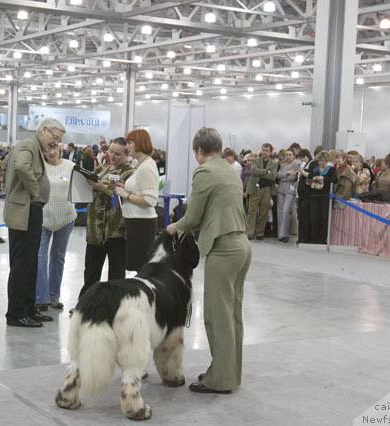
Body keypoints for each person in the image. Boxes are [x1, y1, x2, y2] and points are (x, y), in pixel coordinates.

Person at [166, 127, 251, 394]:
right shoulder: (229, 169)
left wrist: (173, 228)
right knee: (233, 315)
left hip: (223, 248)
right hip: (242, 246)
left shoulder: (205, 171)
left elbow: (192, 217)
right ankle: (228, 373)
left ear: (200, 150)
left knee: (217, 317)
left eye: (196, 153)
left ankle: (221, 380)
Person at [3, 118, 65, 328]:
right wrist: (34, 190)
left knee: (29, 264)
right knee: (22, 265)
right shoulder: (29, 145)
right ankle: (16, 313)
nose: (56, 143)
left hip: (30, 211)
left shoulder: (33, 146)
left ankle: (28, 309)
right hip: (25, 210)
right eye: (54, 137)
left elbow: (7, 164)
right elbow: (20, 166)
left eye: (59, 140)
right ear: (43, 130)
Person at [82, 138, 134, 293]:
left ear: (126, 155)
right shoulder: (100, 169)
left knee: (117, 272)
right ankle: (86, 304)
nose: (112, 155)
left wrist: (101, 187)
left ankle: (114, 306)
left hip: (116, 229)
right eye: (111, 151)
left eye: (117, 153)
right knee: (91, 271)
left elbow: (125, 195)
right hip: (95, 230)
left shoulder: (130, 172)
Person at [35, 144, 76, 311]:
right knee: (40, 257)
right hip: (43, 218)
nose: (51, 152)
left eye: (55, 149)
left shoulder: (70, 166)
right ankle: (40, 298)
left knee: (58, 257)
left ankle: (54, 296)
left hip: (66, 217)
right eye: (47, 149)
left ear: (60, 150)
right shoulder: (39, 167)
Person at [114, 129, 159, 272]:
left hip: (142, 224)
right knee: (138, 268)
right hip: (136, 222)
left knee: (142, 269)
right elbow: (140, 190)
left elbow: (150, 200)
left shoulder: (146, 167)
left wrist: (125, 195)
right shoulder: (140, 165)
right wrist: (125, 189)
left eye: (129, 143)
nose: (126, 147)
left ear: (140, 143)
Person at [246, 143, 277, 240]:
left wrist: (261, 173)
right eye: (263, 150)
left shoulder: (274, 163)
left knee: (264, 212)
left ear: (270, 152)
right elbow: (254, 171)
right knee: (252, 211)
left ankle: (260, 232)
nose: (264, 152)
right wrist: (266, 171)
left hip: (267, 189)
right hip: (255, 188)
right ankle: (249, 233)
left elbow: (273, 176)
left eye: (266, 150)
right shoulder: (255, 161)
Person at [308, 151, 338, 244]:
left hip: (325, 196)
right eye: (320, 160)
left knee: (324, 218)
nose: (321, 162)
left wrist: (323, 178)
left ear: (327, 160)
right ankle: (314, 238)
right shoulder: (316, 169)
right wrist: (315, 177)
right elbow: (310, 175)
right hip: (315, 195)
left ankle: (322, 239)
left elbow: (334, 179)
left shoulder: (331, 169)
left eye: (323, 160)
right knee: (314, 217)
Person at [276, 149, 299, 243]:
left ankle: (285, 234)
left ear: (293, 156)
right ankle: (280, 234)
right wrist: (286, 174)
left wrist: (284, 177)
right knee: (280, 211)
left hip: (290, 190)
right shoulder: (283, 164)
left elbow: (293, 177)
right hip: (281, 189)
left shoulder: (296, 164)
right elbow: (278, 175)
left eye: (290, 154)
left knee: (286, 211)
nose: (288, 156)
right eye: (287, 154)